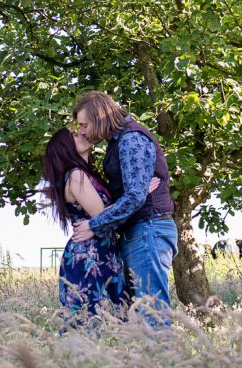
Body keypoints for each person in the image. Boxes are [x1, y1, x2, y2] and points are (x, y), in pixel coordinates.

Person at [70, 91, 178, 327]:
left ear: (100, 117)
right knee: (142, 316)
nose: (83, 131)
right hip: (139, 231)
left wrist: (93, 225)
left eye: (85, 125)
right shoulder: (118, 141)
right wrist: (135, 193)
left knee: (153, 314)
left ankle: (166, 364)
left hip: (148, 229)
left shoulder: (131, 139)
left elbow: (133, 198)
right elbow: (133, 194)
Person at [42, 127, 159, 331]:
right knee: (93, 321)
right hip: (90, 255)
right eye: (74, 135)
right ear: (65, 148)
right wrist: (138, 193)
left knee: (103, 321)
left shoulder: (84, 174)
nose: (82, 133)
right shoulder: (76, 175)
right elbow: (101, 215)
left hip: (99, 250)